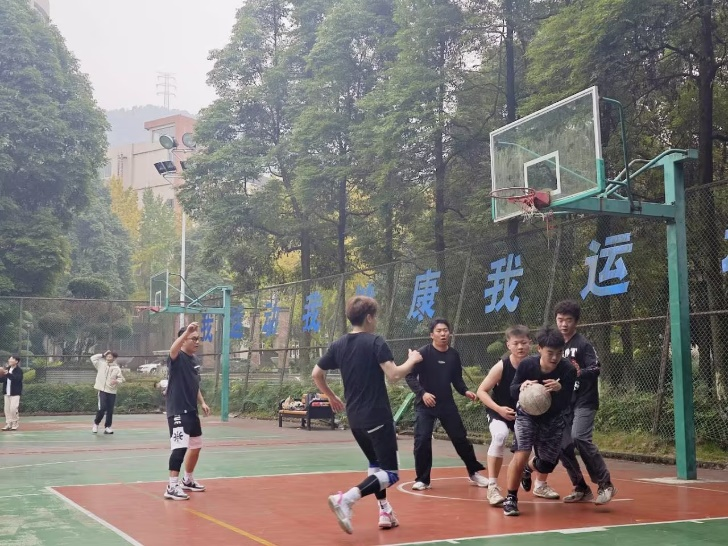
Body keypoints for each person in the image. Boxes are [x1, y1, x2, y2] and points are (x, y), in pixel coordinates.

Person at [312, 295, 422, 535]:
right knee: (390, 474)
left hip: (355, 419)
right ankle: (346, 499)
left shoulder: (339, 344)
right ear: (369, 318)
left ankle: (384, 510)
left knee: (375, 466)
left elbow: (316, 374)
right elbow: (394, 375)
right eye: (376, 317)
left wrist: (331, 396)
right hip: (377, 417)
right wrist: (412, 360)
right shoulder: (375, 342)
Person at [530, 300, 617, 505]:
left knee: (579, 437)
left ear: (576, 322)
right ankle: (580, 487)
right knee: (562, 445)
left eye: (568, 320)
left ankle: (605, 484)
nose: (564, 324)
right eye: (560, 320)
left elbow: (596, 368)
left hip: (584, 400)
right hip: (564, 403)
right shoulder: (554, 346)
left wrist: (579, 373)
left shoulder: (583, 344)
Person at [405, 317, 488, 491]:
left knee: (460, 438)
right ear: (431, 335)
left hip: (446, 404)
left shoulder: (453, 355)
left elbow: (457, 379)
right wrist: (423, 393)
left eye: (445, 330)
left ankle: (474, 472)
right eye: (439, 331)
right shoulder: (423, 353)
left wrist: (465, 391)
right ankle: (423, 479)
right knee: (422, 440)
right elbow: (410, 376)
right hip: (425, 405)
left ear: (449, 333)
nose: (443, 334)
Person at [502, 326, 577, 516]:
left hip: (553, 418)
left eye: (559, 353)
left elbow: (567, 402)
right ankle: (511, 498)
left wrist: (560, 389)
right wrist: (522, 386)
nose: (554, 357)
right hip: (526, 414)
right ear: (540, 349)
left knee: (547, 464)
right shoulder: (527, 365)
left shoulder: (568, 370)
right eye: (550, 352)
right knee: (522, 453)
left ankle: (528, 469)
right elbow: (512, 390)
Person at [476, 325, 534, 506]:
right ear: (508, 345)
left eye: (523, 343)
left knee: (537, 446)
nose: (520, 347)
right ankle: (492, 486)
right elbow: (481, 391)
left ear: (530, 343)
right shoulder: (501, 366)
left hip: (524, 413)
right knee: (500, 436)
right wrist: (499, 409)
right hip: (499, 411)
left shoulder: (535, 365)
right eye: (516, 343)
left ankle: (540, 483)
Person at [163, 322, 211, 501]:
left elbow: (194, 384)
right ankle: (171, 486)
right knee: (179, 448)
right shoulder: (177, 357)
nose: (197, 342)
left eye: (198, 339)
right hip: (177, 409)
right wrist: (186, 332)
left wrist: (202, 402)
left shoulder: (194, 360)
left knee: (196, 446)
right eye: (193, 338)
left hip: (191, 410)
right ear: (183, 341)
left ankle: (188, 480)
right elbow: (172, 350)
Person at [90, 350, 125, 434]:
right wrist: (102, 354)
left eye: (110, 356)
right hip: (102, 390)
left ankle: (108, 427)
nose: (108, 357)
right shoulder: (100, 364)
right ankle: (96, 424)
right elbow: (93, 358)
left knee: (110, 410)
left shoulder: (116, 368)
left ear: (114, 358)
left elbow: (121, 379)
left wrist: (116, 381)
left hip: (112, 391)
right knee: (102, 408)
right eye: (107, 356)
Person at [1, 356, 23, 431]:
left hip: (15, 393)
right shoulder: (7, 369)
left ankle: (15, 423)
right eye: (9, 359)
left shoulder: (19, 370)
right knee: (7, 410)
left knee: (13, 409)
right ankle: (8, 424)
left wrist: (8, 374)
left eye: (11, 359)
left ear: (16, 361)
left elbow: (16, 379)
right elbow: (2, 380)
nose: (9, 360)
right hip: (7, 393)